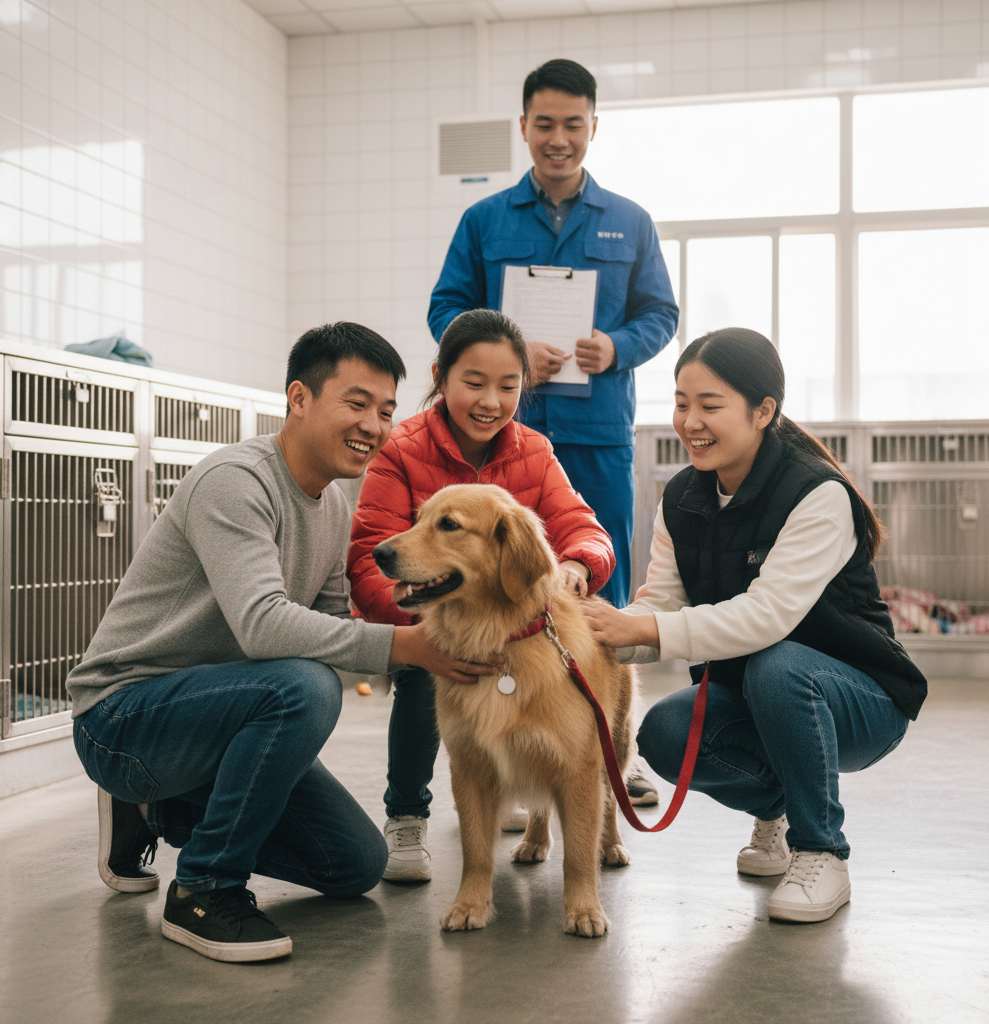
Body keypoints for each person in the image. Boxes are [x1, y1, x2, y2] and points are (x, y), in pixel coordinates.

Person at [67, 322, 500, 963]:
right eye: (356, 404)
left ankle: (157, 811)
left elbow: (327, 630)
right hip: (124, 717)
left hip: (222, 714)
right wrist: (408, 649)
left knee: (354, 864)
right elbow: (265, 626)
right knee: (304, 685)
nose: (374, 426)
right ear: (299, 398)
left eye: (385, 411)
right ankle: (204, 889)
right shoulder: (236, 482)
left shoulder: (330, 507)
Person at [583, 327, 927, 923]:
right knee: (665, 731)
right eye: (682, 402)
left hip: (861, 699)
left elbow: (766, 618)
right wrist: (597, 632)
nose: (690, 421)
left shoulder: (817, 494)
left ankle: (822, 851)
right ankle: (778, 809)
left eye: (710, 406)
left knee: (778, 664)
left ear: (764, 410)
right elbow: (658, 603)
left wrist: (640, 631)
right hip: (756, 693)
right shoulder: (682, 498)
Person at [347, 308, 617, 882]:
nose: (490, 400)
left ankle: (548, 791)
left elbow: (584, 528)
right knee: (428, 664)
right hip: (435, 622)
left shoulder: (535, 451)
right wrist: (425, 634)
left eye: (508, 386)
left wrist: (575, 565)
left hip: (520, 621)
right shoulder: (400, 448)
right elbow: (372, 556)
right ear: (441, 377)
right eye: (473, 382)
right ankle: (407, 815)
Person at [427, 59, 679, 614]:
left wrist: (617, 347)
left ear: (594, 126)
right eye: (544, 125)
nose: (558, 140)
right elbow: (445, 309)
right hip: (502, 432)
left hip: (598, 434)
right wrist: (505, 361)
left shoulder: (630, 221)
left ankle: (596, 696)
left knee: (597, 571)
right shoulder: (484, 220)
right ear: (523, 127)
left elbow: (661, 314)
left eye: (572, 124)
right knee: (497, 579)